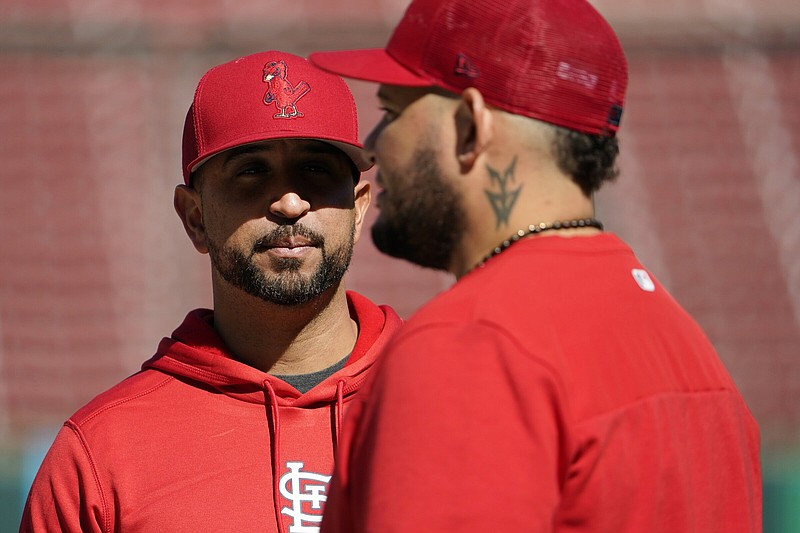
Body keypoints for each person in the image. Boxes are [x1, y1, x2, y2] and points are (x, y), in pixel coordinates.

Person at [309, 0, 763, 530]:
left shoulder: (470, 346)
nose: (371, 145)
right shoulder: (688, 349)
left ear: (470, 126)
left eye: (392, 110)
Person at [20, 50, 402, 533]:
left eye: (316, 169)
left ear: (359, 208)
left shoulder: (454, 398)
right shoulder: (101, 454)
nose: (289, 202)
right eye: (251, 171)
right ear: (194, 218)